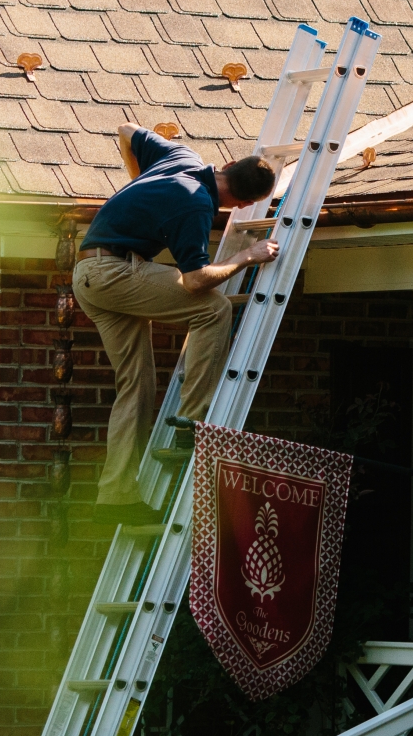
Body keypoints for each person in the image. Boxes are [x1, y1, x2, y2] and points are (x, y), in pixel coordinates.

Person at [75, 123, 279, 525]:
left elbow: (125, 130)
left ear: (230, 163)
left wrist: (141, 188)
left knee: (136, 384)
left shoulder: (181, 157)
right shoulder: (196, 206)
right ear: (241, 205)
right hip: (115, 272)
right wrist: (247, 256)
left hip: (87, 274)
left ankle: (114, 496)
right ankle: (192, 421)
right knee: (214, 309)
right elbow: (194, 281)